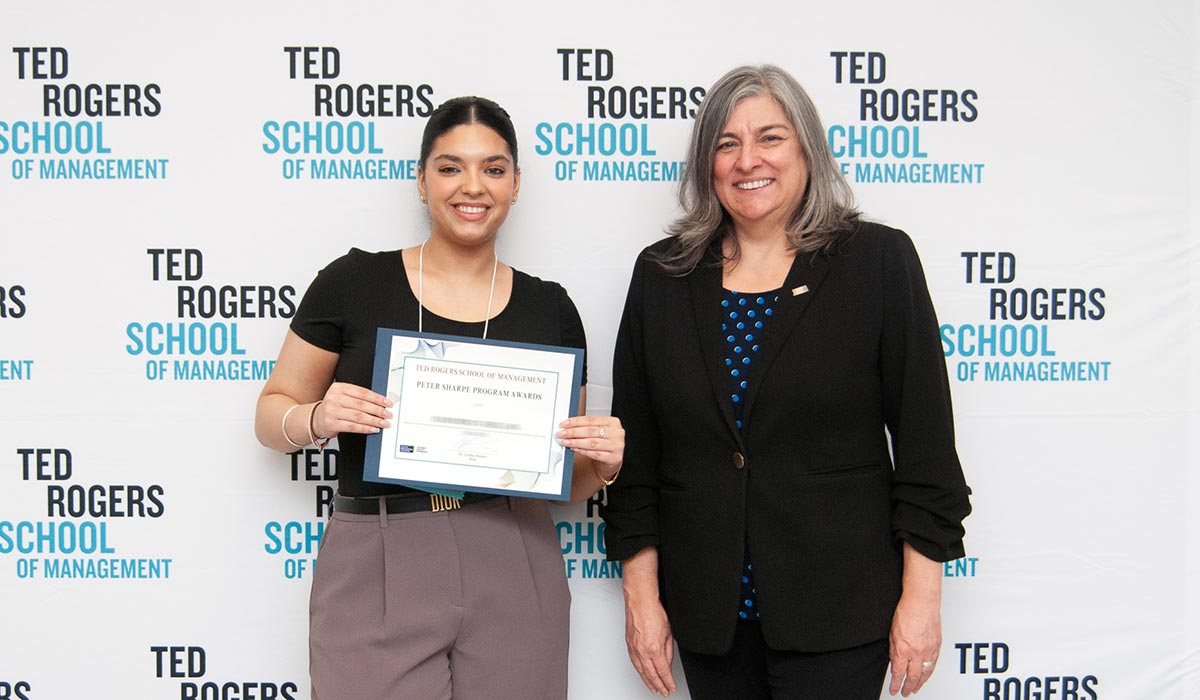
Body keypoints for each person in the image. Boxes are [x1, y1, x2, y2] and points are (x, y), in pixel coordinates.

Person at [601, 65, 972, 699]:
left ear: (807, 148)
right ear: (707, 163)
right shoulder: (662, 276)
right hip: (708, 612)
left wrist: (922, 602)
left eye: (770, 137)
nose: (748, 160)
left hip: (840, 606)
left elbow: (926, 447)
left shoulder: (876, 262)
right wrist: (641, 601)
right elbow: (636, 459)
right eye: (727, 143)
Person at [254, 96, 624, 700]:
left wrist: (603, 466)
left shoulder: (551, 309)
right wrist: (316, 416)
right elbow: (271, 412)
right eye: (450, 167)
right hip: (378, 553)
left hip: (514, 552)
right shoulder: (352, 283)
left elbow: (564, 481)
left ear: (516, 183)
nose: (472, 186)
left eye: (493, 168)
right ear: (422, 181)